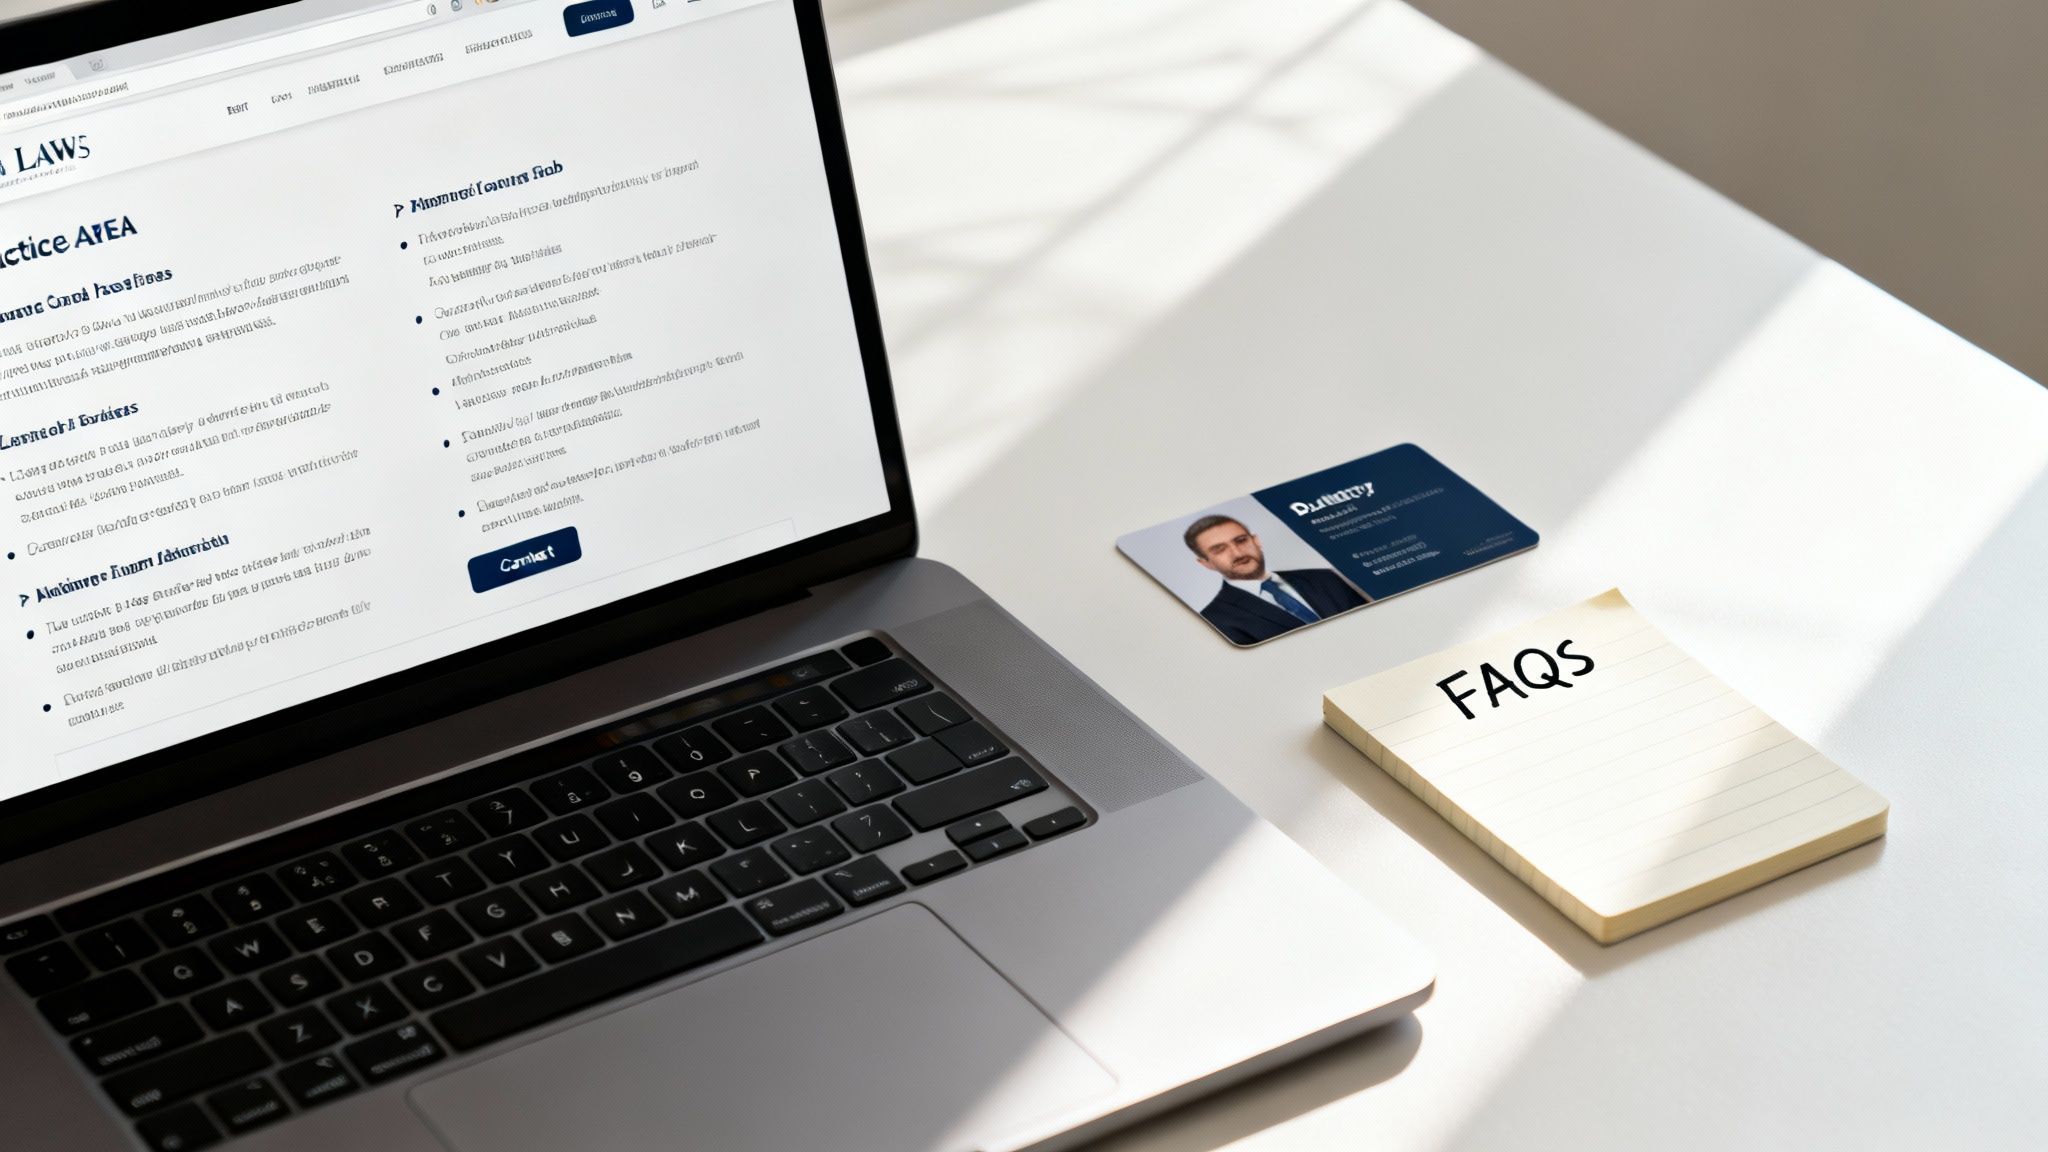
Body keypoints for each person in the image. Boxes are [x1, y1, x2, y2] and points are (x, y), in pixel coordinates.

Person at [1183, 514, 1367, 645]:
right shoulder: (1214, 621)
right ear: (1205, 563)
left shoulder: (1325, 577)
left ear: (1256, 541)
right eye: (1219, 549)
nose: (1237, 553)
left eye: (1241, 541)